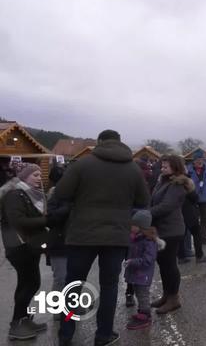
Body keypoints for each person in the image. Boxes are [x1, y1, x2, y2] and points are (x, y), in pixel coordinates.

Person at [56, 130, 150, 346]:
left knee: (73, 285)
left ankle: (66, 333)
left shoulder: (82, 164)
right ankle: (103, 335)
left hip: (82, 235)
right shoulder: (133, 169)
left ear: (99, 142)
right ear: (119, 142)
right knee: (109, 287)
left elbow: (61, 193)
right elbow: (144, 199)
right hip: (115, 237)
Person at [0, 163, 48, 341]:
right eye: (34, 175)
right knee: (30, 284)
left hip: (29, 246)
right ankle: (18, 324)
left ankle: (24, 320)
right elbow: (18, 221)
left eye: (39, 175)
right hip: (18, 246)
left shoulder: (28, 194)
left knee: (28, 283)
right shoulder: (15, 194)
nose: (38, 178)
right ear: (25, 176)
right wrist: (46, 220)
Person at [150, 155, 192, 315]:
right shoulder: (163, 181)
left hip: (172, 230)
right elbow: (153, 200)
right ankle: (166, 295)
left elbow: (166, 206)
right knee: (162, 264)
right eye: (162, 166)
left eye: (166, 167)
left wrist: (146, 213)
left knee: (169, 265)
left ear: (175, 168)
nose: (162, 169)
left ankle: (174, 299)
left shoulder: (177, 185)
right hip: (161, 229)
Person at [124, 210, 157, 330]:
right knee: (138, 292)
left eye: (133, 225)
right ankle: (141, 312)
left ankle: (145, 315)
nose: (130, 227)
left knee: (143, 294)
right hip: (137, 273)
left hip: (143, 274)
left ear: (141, 227)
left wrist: (132, 262)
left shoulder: (148, 242)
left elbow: (148, 260)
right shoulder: (136, 238)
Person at [45, 164, 71, 318]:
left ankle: (71, 305)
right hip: (58, 242)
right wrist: (68, 208)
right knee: (61, 277)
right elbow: (50, 219)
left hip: (75, 241)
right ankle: (57, 309)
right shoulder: (54, 194)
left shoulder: (76, 194)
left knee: (74, 277)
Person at [178, 183, 206, 264]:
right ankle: (199, 256)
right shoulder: (185, 182)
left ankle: (181, 257)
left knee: (181, 235)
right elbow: (194, 197)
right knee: (197, 234)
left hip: (179, 213)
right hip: (189, 213)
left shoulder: (170, 182)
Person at [189, 157, 206, 246]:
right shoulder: (189, 171)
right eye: (197, 159)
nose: (199, 161)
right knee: (194, 221)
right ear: (194, 161)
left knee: (204, 220)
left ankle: (203, 238)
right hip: (193, 199)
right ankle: (196, 239)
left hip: (204, 198)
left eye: (200, 159)